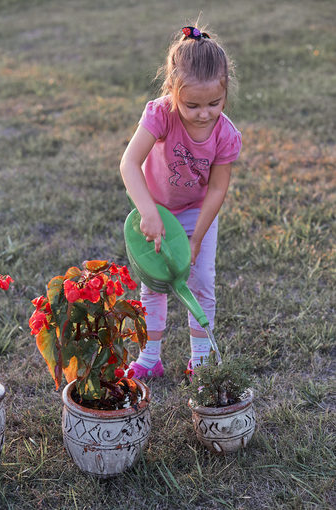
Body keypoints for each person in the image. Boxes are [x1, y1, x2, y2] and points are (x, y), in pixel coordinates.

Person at [120, 25, 242, 378]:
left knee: (201, 279)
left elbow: (217, 190)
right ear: (172, 91)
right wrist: (147, 213)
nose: (204, 113)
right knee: (154, 282)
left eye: (214, 104)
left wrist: (196, 238)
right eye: (192, 105)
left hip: (195, 214)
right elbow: (129, 163)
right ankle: (149, 356)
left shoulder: (225, 135)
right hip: (156, 211)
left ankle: (201, 359)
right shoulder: (160, 114)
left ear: (225, 93)